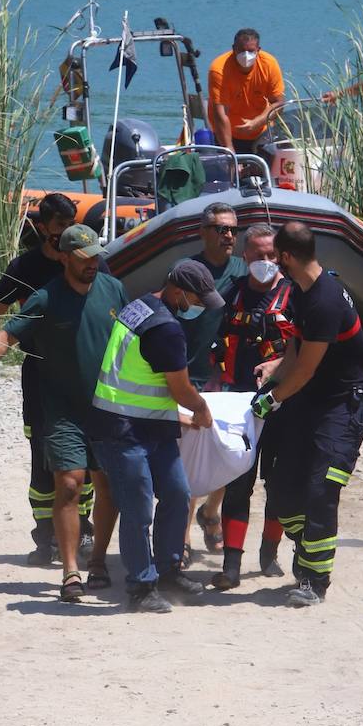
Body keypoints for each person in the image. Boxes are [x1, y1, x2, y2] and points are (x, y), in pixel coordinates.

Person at [0, 225, 127, 602]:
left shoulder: (114, 289)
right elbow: (8, 335)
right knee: (70, 483)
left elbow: (135, 335)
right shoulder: (45, 299)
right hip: (61, 409)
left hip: (107, 406)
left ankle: (98, 562)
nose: (92, 263)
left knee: (107, 485)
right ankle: (70, 571)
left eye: (95, 255)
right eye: (83, 257)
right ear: (63, 257)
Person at [252, 222, 363, 608]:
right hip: (311, 399)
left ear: (287, 257)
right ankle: (307, 549)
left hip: (342, 405)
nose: (272, 263)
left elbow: (306, 369)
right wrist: (275, 370)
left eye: (275, 256)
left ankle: (313, 580)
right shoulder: (302, 291)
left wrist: (271, 401)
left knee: (322, 489)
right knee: (282, 490)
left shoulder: (325, 299)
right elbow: (297, 350)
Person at [89, 260, 221, 613]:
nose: (198, 307)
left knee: (178, 493)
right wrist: (202, 410)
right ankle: (141, 587)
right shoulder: (165, 328)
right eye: (196, 299)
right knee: (138, 508)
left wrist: (177, 416)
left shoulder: (141, 304)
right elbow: (180, 389)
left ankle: (168, 569)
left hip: (152, 425)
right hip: (123, 430)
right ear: (177, 290)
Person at [0, 192, 96, 567]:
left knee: (86, 461)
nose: (68, 232)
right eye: (60, 226)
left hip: (83, 377)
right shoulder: (25, 268)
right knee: (43, 458)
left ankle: (83, 530)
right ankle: (45, 537)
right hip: (40, 379)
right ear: (43, 228)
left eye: (72, 223)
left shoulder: (89, 263)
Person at [210, 224, 293, 589]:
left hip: (282, 402)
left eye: (272, 255)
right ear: (245, 256)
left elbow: (311, 348)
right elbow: (210, 343)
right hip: (237, 405)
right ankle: (231, 565)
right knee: (237, 484)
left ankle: (270, 551)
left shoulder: (296, 297)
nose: (265, 261)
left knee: (278, 484)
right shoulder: (230, 295)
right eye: (258, 255)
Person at [179, 202, 247, 559]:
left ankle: (211, 512)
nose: (229, 236)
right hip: (193, 375)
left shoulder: (243, 270)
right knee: (193, 458)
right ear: (203, 231)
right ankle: (185, 538)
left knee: (229, 453)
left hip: (232, 376)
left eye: (234, 229)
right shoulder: (188, 271)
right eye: (221, 229)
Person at [207, 28, 285, 157]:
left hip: (262, 134)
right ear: (233, 48)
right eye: (241, 50)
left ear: (258, 50)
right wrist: (229, 149)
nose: (246, 55)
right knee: (230, 171)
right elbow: (220, 113)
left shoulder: (269, 64)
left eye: (250, 51)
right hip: (227, 134)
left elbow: (279, 103)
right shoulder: (219, 69)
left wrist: (257, 122)